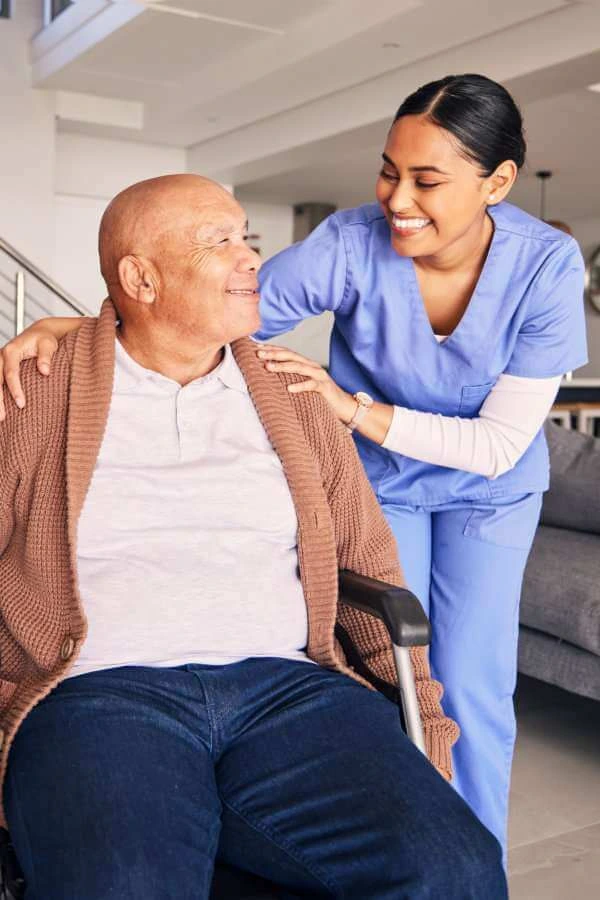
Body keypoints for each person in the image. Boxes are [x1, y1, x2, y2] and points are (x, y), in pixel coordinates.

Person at [0, 74, 586, 856]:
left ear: (500, 182)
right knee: (401, 675)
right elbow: (204, 309)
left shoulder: (547, 266)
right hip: (384, 483)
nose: (397, 198)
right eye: (389, 169)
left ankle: (466, 852)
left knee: (475, 690)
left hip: (489, 487)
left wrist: (349, 410)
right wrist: (82, 322)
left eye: (428, 180)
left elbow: (496, 446)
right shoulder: (350, 242)